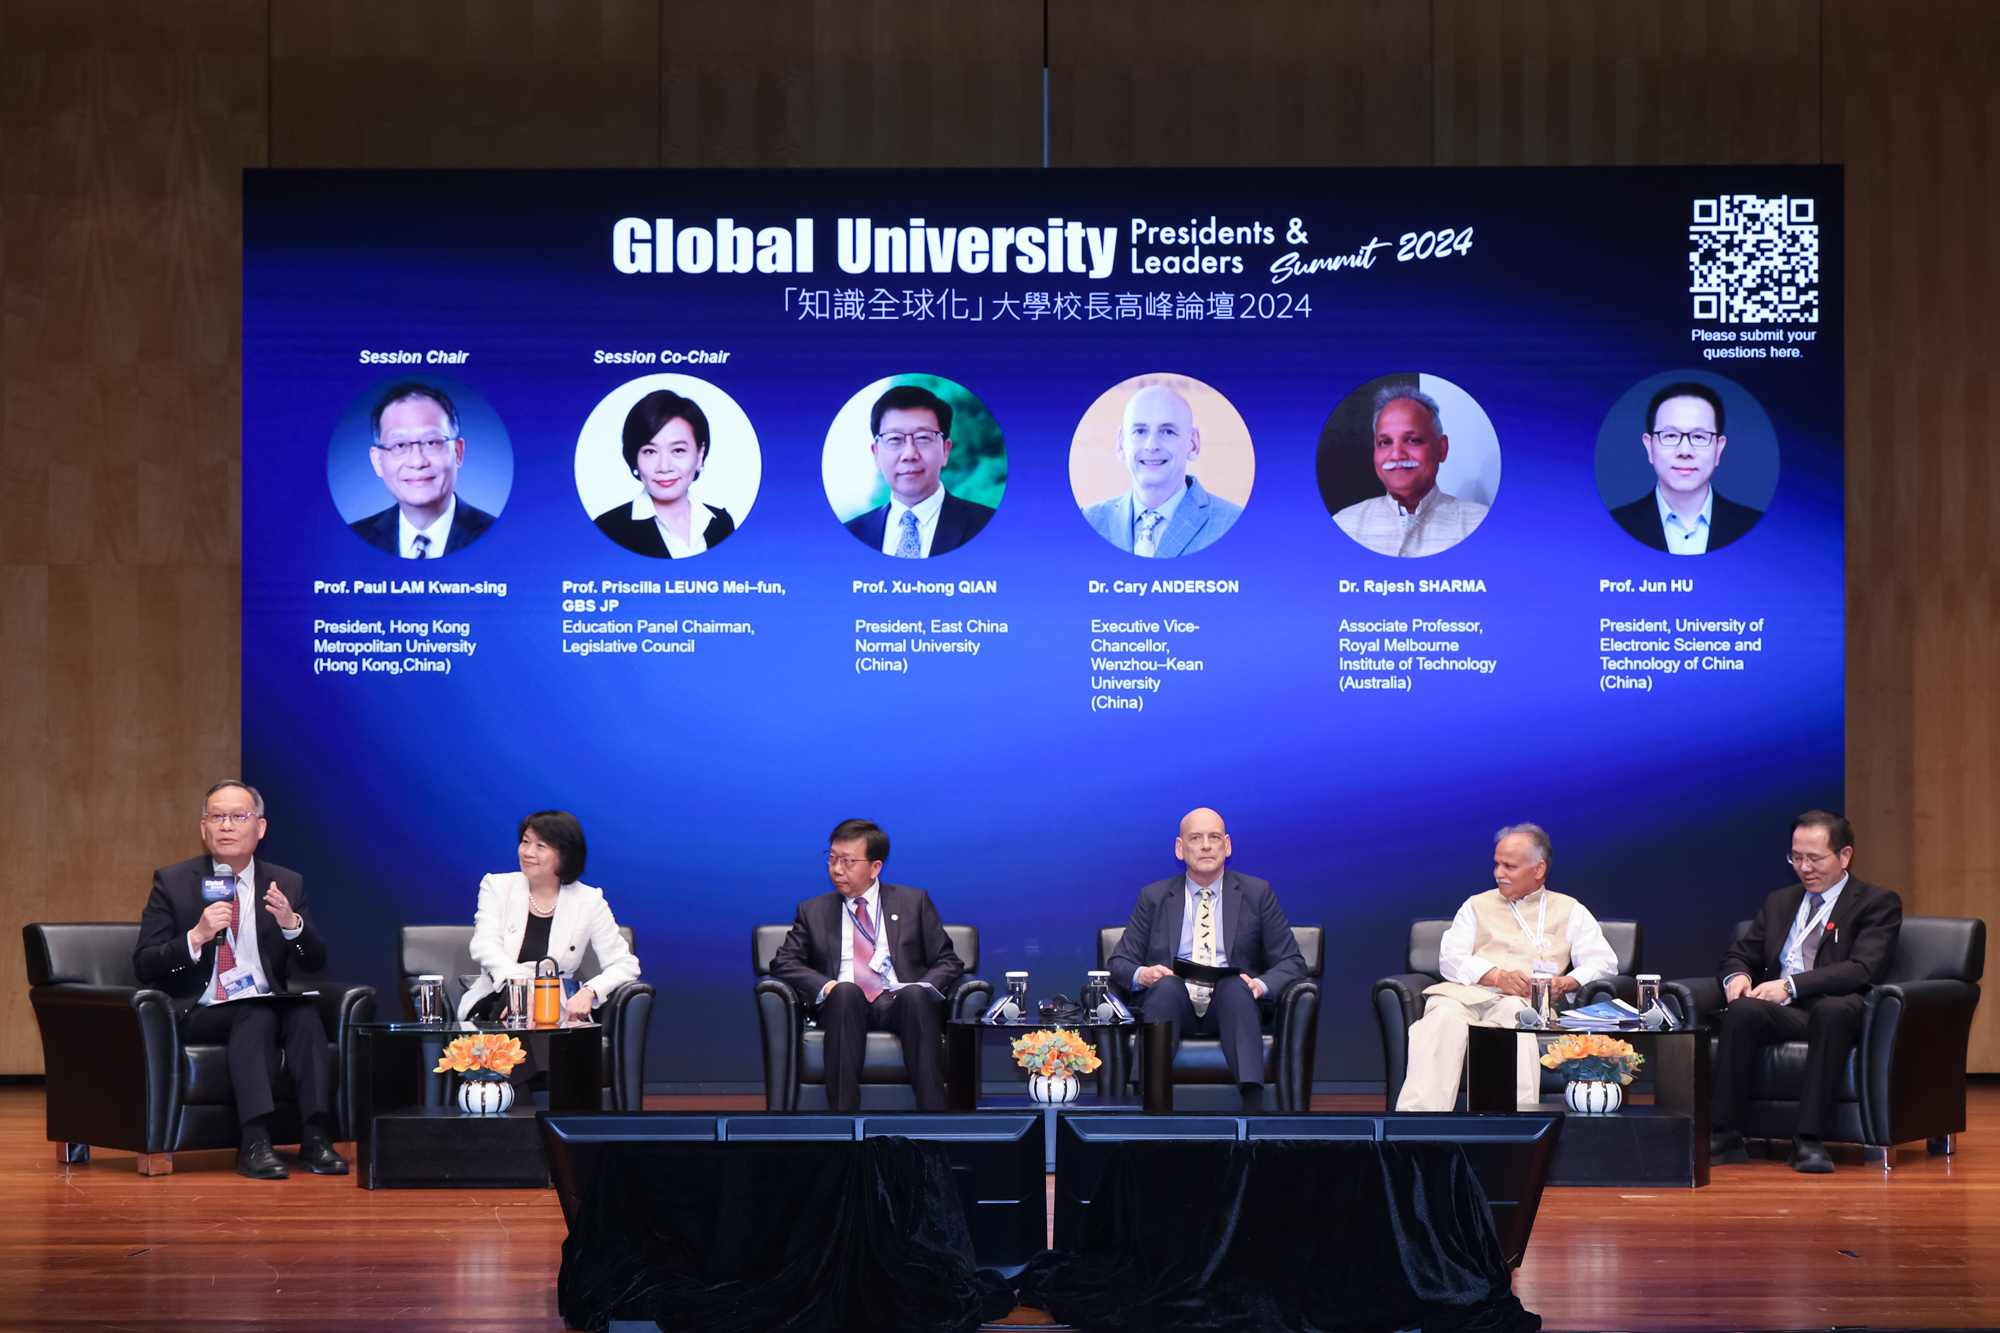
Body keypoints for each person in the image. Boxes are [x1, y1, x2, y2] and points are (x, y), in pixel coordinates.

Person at [132, 781, 345, 1179]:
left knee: (302, 1013)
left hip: (264, 1001)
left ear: (260, 828)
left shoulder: (285, 883)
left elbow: (315, 962)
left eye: (238, 816)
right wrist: (195, 937)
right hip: (203, 1008)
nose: (227, 825)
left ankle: (316, 1138)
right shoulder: (173, 882)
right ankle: (255, 1141)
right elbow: (144, 963)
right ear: (204, 828)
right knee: (256, 1013)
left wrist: (292, 925)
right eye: (217, 816)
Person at [1710, 812, 1902, 1174]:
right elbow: (1741, 953)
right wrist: (1737, 976)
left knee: (1832, 1011)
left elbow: (1863, 968)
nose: (1804, 868)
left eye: (1814, 858)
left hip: (1838, 1006)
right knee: (1743, 1010)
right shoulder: (1780, 901)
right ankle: (1725, 1133)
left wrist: (1791, 986)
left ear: (1844, 856)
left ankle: (1808, 1139)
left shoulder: (1877, 902)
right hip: (1788, 1011)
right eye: (1796, 857)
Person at [1395, 824, 1618, 1113]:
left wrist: (1568, 982)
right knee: (1442, 1016)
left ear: (1538, 869)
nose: (1498, 873)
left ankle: (1514, 1124)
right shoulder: (1475, 905)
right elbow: (1450, 958)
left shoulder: (1570, 910)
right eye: (1496, 864)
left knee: (1516, 1018)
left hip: (1522, 1001)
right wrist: (1496, 976)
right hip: (1465, 995)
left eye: (1509, 866)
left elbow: (1604, 962)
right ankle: (1417, 1125)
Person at [1105, 808, 1306, 1111]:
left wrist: (1259, 985)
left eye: (1214, 837)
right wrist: (1143, 974)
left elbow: (1292, 961)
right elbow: (1118, 963)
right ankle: (1147, 1104)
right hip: (1174, 1007)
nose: (1206, 846)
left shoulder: (1257, 893)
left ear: (1227, 845)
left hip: (1234, 1007)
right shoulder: (1153, 897)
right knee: (1166, 985)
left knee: (1233, 985)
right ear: (1180, 848)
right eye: (1196, 838)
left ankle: (1252, 1108)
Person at [769, 819, 963, 1111]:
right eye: (832, 858)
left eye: (848, 861)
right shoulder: (813, 910)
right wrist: (827, 986)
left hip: (898, 1002)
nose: (836, 869)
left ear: (875, 867)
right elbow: (783, 961)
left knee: (914, 994)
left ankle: (934, 1118)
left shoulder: (914, 902)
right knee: (845, 992)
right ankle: (843, 1118)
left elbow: (948, 960)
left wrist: (921, 987)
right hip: (842, 1006)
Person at [458, 811, 642, 1021]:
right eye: (525, 842)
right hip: (499, 994)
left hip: (556, 1004)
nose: (528, 852)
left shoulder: (589, 900)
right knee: (516, 1012)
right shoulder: (497, 886)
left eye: (541, 846)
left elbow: (625, 964)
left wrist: (590, 990)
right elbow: (484, 945)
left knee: (550, 1020)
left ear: (565, 854)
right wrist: (519, 986)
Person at [1080, 384, 1242, 557]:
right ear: (1121, 444)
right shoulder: (1087, 521)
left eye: (1168, 432)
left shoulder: (1234, 524)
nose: (1152, 446)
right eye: (1140, 431)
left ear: (1193, 444)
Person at [1332, 385, 1489, 557]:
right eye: (1385, 442)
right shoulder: (1343, 524)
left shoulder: (1481, 524)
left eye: (1412, 440)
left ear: (1441, 449)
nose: (1396, 454)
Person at [1608, 381, 1764, 554]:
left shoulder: (1758, 528)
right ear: (1649, 447)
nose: (1684, 451)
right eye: (1670, 436)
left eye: (1699, 437)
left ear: (1718, 449)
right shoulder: (1611, 526)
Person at [842, 385, 995, 557]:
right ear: (876, 454)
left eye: (923, 438)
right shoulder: (850, 535)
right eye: (894, 439)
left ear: (945, 451)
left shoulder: (989, 526)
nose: (909, 454)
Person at [349, 382, 497, 557]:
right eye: (400, 445)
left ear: (458, 452)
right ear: (378, 461)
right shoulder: (352, 542)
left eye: (431, 443)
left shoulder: (498, 537)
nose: (417, 461)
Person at [592, 389, 738, 558]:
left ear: (700, 455)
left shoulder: (721, 524)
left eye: (678, 450)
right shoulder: (607, 529)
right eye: (650, 451)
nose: (664, 467)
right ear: (634, 457)